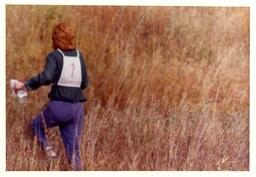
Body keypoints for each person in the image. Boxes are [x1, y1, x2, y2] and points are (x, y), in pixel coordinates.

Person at [14, 22, 89, 170]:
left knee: (35, 125)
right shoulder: (80, 57)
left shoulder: (55, 56)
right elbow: (85, 83)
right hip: (77, 110)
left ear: (55, 39)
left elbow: (47, 76)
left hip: (59, 107)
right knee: (74, 154)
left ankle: (49, 152)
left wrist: (25, 85)